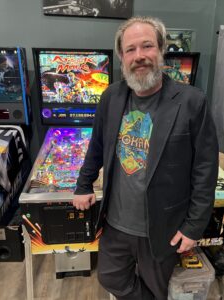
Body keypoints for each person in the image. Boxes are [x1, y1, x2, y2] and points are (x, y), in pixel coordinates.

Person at [73, 16, 219, 300]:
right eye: (130, 49)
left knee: (157, 289)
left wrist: (193, 227)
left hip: (162, 227)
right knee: (110, 277)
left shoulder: (192, 101)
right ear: (121, 56)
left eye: (147, 46)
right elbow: (97, 146)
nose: (139, 56)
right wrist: (83, 184)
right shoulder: (111, 97)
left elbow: (205, 169)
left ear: (161, 50)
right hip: (116, 223)